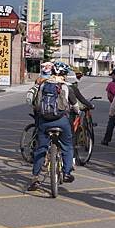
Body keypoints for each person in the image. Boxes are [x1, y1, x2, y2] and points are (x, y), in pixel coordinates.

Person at [27, 62, 80, 191]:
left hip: (44, 121)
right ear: (64, 75)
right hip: (61, 121)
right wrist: (77, 111)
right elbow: (75, 105)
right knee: (67, 146)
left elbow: (37, 103)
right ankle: (67, 172)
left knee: (41, 149)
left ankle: (35, 178)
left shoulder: (43, 85)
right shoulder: (66, 87)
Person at [101, 69, 115, 146]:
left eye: (112, 75)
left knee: (111, 124)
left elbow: (109, 96)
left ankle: (106, 139)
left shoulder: (111, 84)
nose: (111, 76)